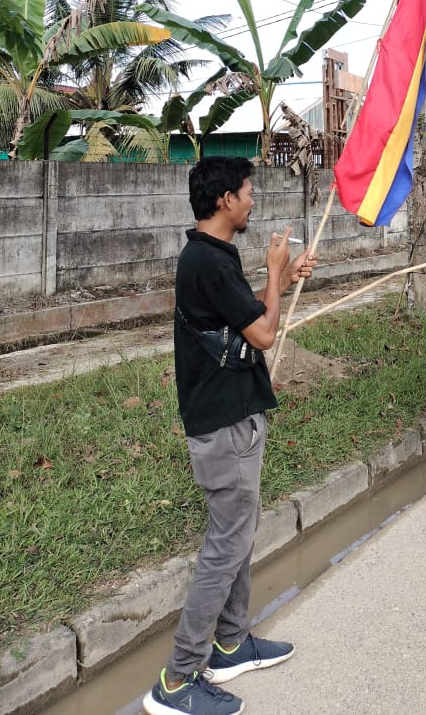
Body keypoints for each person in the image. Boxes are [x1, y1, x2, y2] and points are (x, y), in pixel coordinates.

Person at [143, 157, 317, 715]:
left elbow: (240, 319)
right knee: (225, 548)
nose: (253, 199)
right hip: (224, 426)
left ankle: (231, 642)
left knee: (237, 536)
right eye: (247, 190)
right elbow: (265, 335)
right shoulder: (209, 261)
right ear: (224, 200)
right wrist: (274, 271)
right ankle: (175, 682)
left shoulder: (212, 256)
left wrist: (284, 277)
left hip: (232, 418)